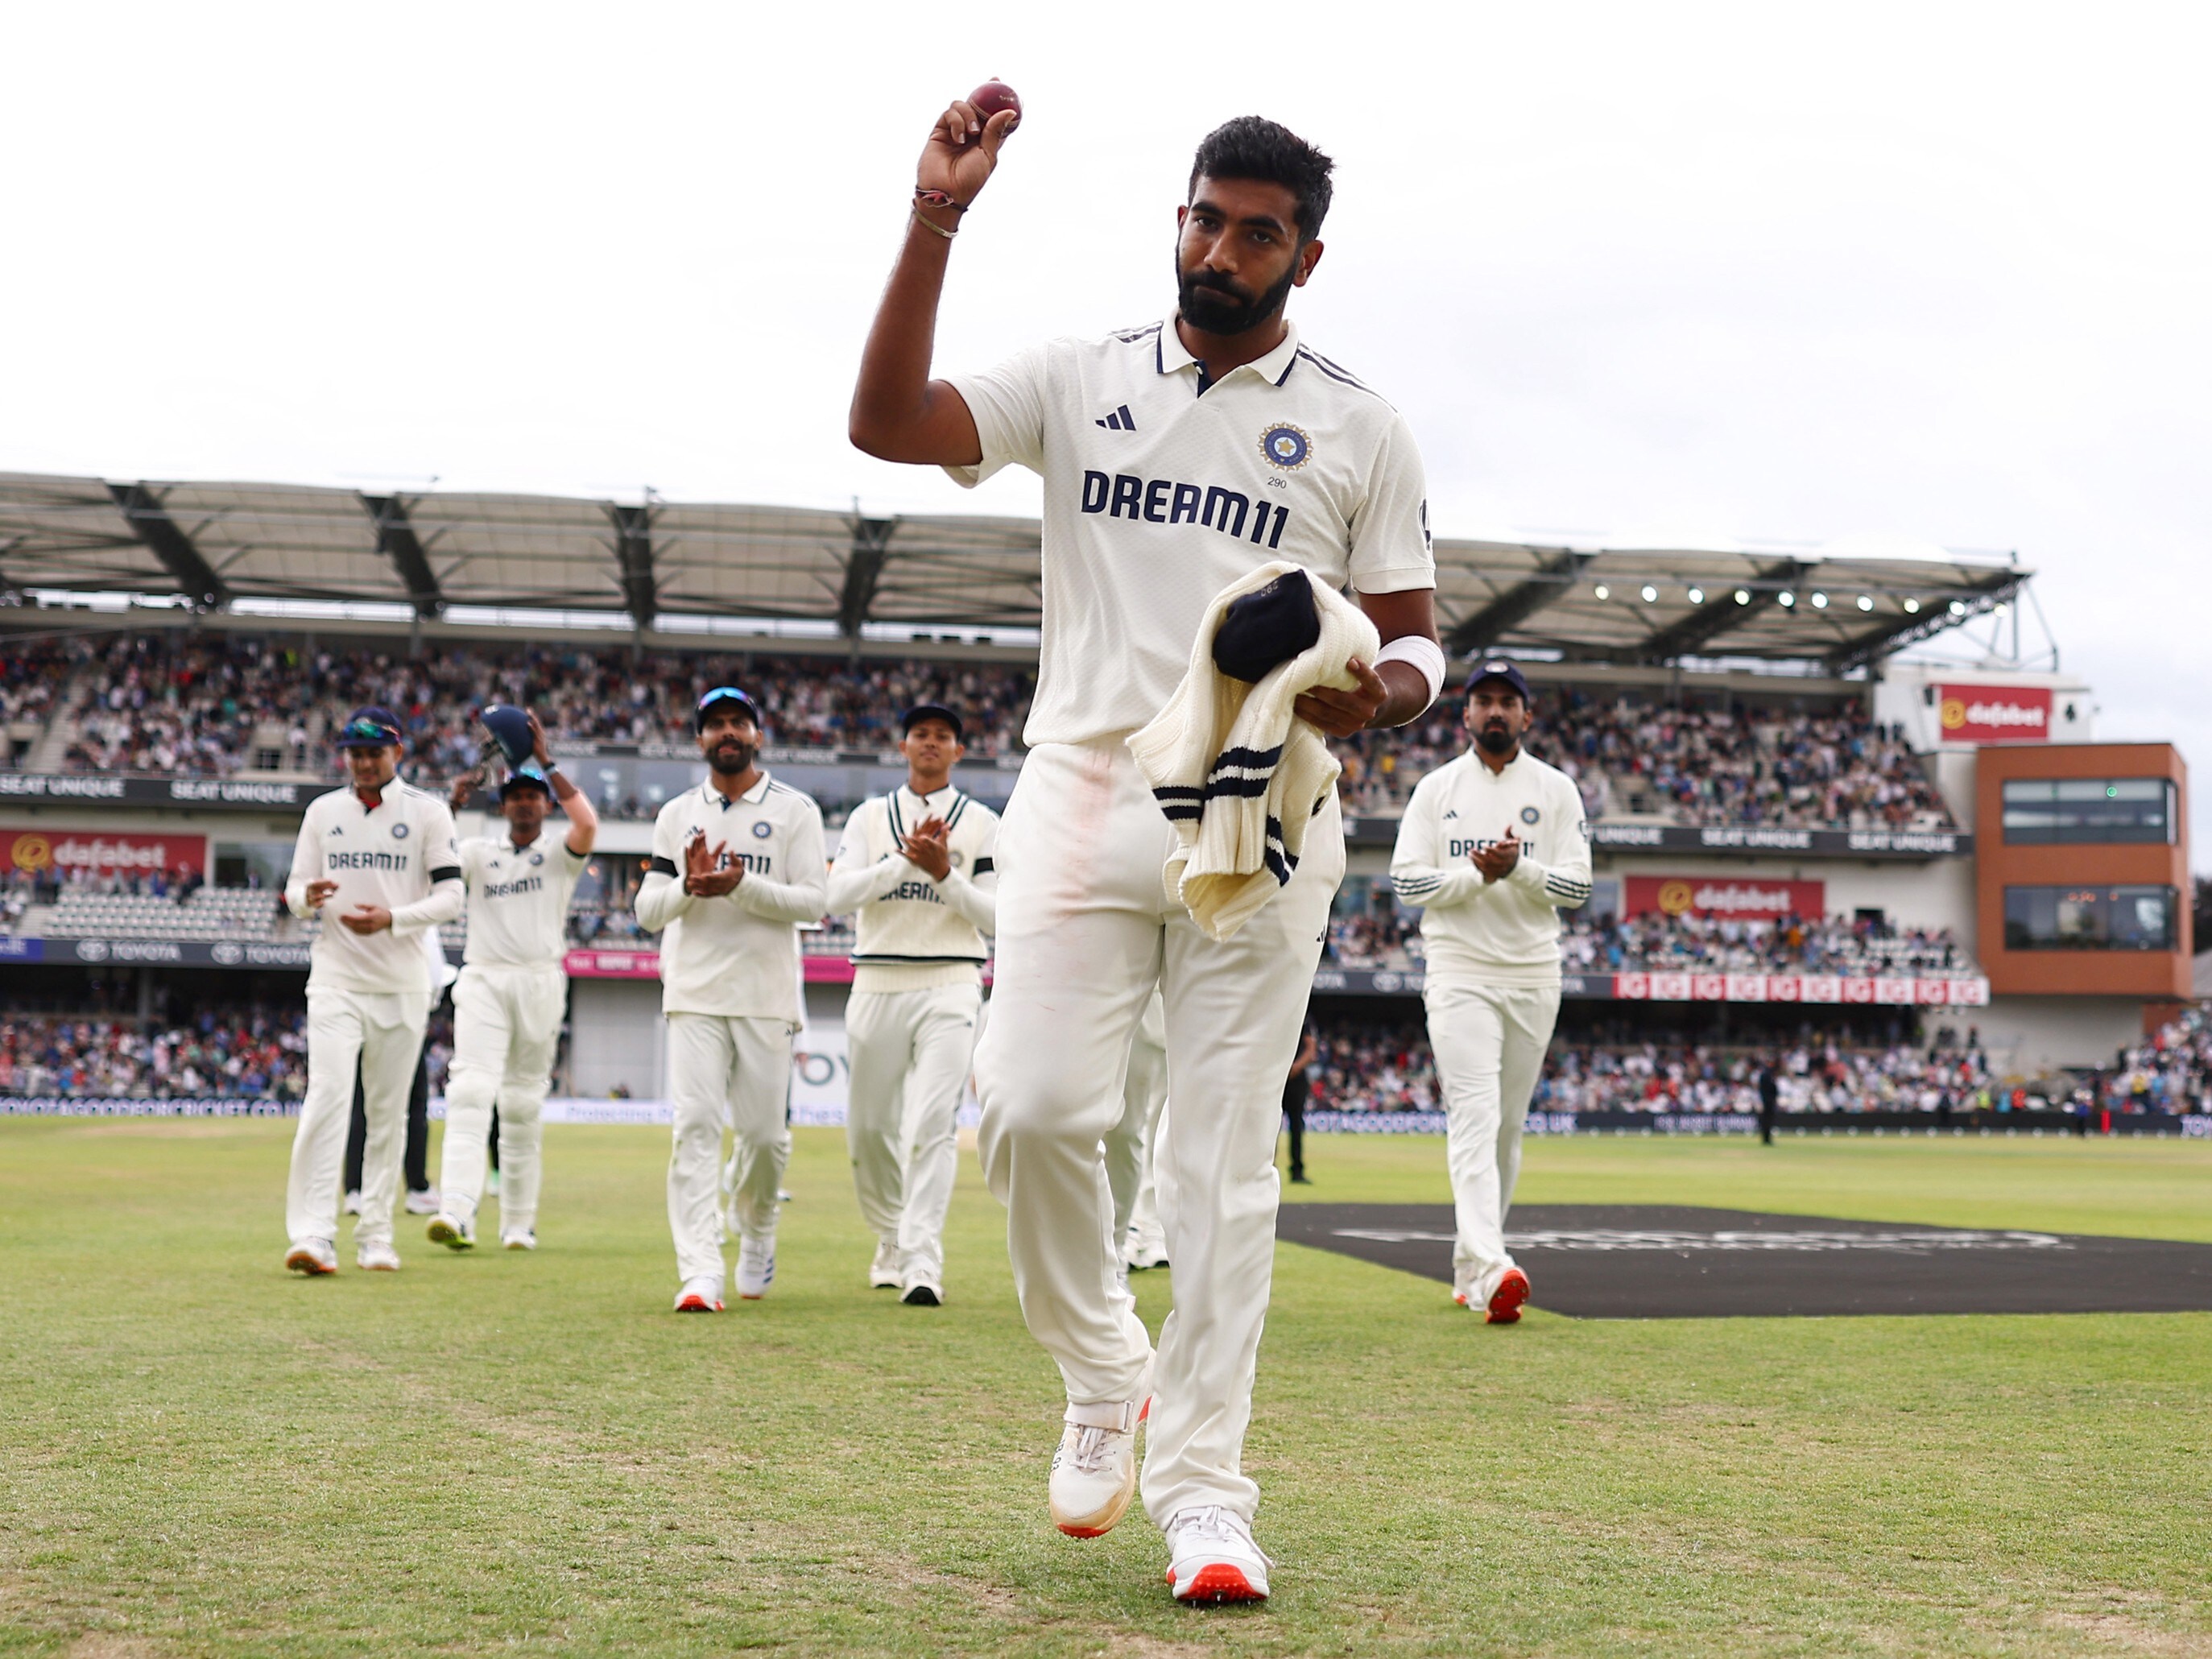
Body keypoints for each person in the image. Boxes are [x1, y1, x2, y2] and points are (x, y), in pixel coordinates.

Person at [850, 102, 1442, 1603]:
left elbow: (1414, 639)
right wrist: (933, 216)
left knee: (1219, 1166)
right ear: (1178, 219)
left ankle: (1205, 1499)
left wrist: (1373, 694)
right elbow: (887, 423)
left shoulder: (1362, 426)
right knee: (1030, 1111)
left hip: (1268, 800)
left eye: (1256, 233)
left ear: (1305, 257)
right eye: (1203, 219)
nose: (1219, 250)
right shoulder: (1080, 374)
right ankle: (1106, 1368)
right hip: (1084, 781)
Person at [1389, 660, 1591, 1322]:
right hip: (1458, 970)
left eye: (1507, 701)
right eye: (1484, 701)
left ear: (1526, 715)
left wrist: (1518, 868)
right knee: (1474, 1118)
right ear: (1466, 714)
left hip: (1533, 973)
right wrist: (1475, 876)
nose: (1495, 710)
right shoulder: (1436, 789)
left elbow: (1578, 887)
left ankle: (1469, 1266)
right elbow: (1406, 882)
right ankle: (1494, 1264)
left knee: (1505, 1129)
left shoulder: (1555, 789)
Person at [635, 688, 826, 1313]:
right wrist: (689, 887)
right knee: (694, 1127)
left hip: (766, 995)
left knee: (765, 1139)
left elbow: (813, 903)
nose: (727, 732)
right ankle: (699, 1271)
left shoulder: (795, 810)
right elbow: (647, 911)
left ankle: (757, 1226)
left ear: (756, 736)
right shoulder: (677, 813)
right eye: (715, 724)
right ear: (699, 739)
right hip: (693, 992)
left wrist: (742, 885)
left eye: (738, 722)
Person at [824, 704, 999, 1306]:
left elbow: (998, 915)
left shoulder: (981, 822)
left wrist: (945, 874)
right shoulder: (870, 817)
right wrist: (903, 862)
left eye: (942, 736)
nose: (930, 742)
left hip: (952, 980)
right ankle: (891, 1239)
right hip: (876, 979)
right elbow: (835, 895)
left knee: (931, 1126)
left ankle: (922, 1259)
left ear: (957, 751)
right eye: (920, 734)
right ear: (903, 746)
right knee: (869, 1129)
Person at [281, 707, 464, 1275]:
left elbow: (452, 898)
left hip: (402, 982)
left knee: (387, 1114)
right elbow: (294, 889)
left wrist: (393, 918)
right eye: (354, 754)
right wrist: (305, 897)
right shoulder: (323, 811)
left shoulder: (428, 812)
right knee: (327, 1099)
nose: (362, 763)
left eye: (373, 753)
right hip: (335, 977)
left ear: (397, 752)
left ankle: (376, 1235)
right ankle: (313, 1233)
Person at [428, 711, 597, 1252]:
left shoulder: (560, 854)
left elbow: (588, 824)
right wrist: (452, 805)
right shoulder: (478, 853)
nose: (525, 803)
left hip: (540, 982)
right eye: (515, 797)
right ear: (502, 807)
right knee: (471, 1091)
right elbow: (430, 861)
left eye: (533, 797)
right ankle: (456, 1211)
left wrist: (545, 760)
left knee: (522, 1105)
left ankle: (519, 1223)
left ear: (545, 805)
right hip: (484, 979)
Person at [1103, 987, 1168, 1276]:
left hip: (1170, 1009)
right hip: (1123, 998)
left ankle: (1152, 1229)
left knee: (1161, 1127)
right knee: (1124, 1130)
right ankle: (1125, 1235)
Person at [1281, 1023, 1317, 1184]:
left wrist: (1295, 1067)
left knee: (1295, 1126)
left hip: (1292, 1077)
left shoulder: (1304, 1020)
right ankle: (1294, 1171)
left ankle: (1296, 1170)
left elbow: (1310, 1049)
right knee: (1274, 1126)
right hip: (1284, 1074)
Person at [1758, 1061, 1780, 1146]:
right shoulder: (1767, 1076)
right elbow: (1771, 1089)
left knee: (1768, 1121)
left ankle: (1766, 1139)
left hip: (1767, 1101)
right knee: (1767, 1121)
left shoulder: (1766, 1075)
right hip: (1768, 1102)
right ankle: (1766, 1139)